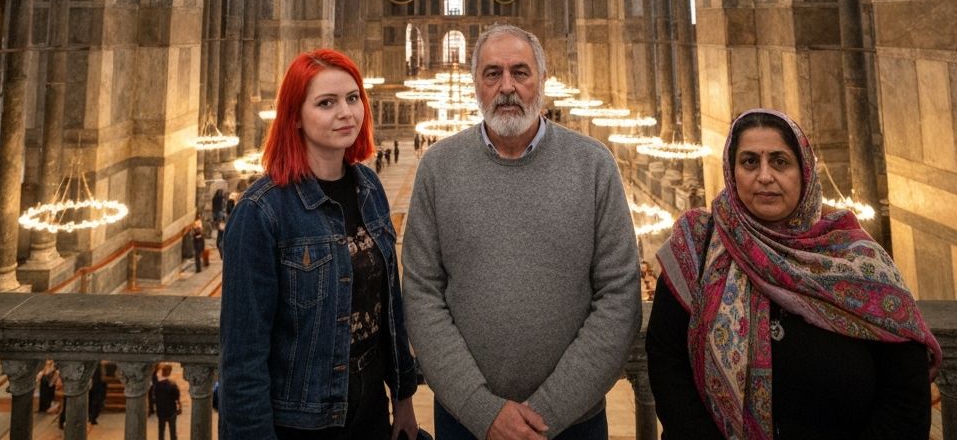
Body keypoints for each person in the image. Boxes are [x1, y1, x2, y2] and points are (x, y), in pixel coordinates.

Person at [403, 23, 641, 440]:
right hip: (467, 422)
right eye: (492, 74)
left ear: (542, 81)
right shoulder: (438, 168)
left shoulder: (593, 166)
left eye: (520, 72)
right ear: (476, 84)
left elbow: (620, 295)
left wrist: (545, 413)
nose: (507, 87)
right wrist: (483, 410)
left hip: (573, 424)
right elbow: (421, 295)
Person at [645, 108, 942, 440]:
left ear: (805, 171)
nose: (765, 176)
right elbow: (667, 361)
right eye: (749, 162)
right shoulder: (697, 245)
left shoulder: (857, 257)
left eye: (780, 161)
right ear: (731, 171)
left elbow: (905, 390)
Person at [219, 49, 420, 440]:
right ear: (295, 116)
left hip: (370, 412)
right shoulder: (261, 213)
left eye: (352, 98)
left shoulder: (369, 187)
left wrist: (403, 397)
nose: (346, 113)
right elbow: (242, 360)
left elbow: (388, 309)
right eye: (326, 103)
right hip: (302, 423)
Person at [153, 363, 182, 440]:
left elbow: (155, 397)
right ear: (170, 372)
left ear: (162, 372)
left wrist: (156, 369)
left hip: (161, 410)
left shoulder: (158, 385)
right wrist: (180, 407)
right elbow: (177, 398)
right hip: (171, 410)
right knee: (173, 431)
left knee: (161, 431)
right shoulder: (173, 385)